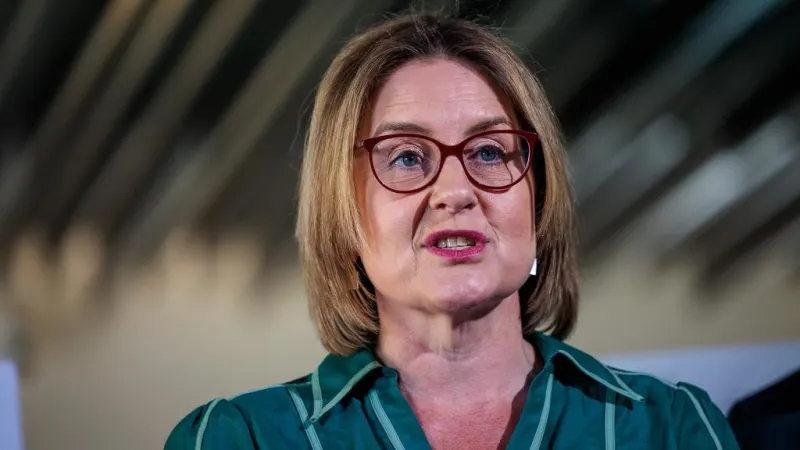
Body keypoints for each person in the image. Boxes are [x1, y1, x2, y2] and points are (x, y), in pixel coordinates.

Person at [165, 12, 739, 450]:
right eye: (406, 157)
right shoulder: (242, 438)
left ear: (537, 198)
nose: (455, 191)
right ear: (342, 215)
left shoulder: (669, 427)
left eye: (489, 151)